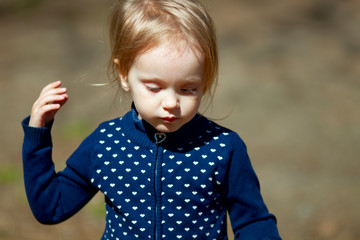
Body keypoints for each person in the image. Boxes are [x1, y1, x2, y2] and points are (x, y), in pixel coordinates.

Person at [21, 0, 282, 239]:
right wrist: (38, 135)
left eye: (187, 89)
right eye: (154, 88)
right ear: (124, 74)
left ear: (205, 79)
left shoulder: (223, 148)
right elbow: (50, 208)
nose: (171, 103)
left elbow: (253, 223)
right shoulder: (106, 144)